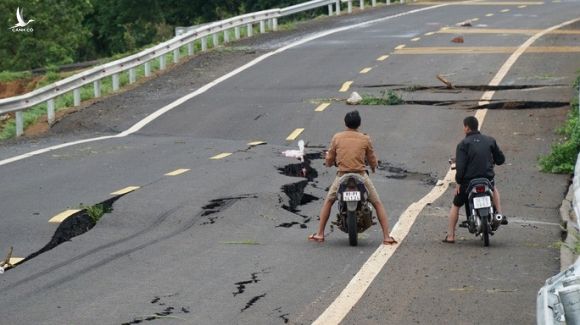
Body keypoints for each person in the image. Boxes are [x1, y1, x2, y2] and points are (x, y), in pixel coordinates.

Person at [308, 110, 397, 245]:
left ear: (345, 123)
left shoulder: (337, 137)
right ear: (359, 124)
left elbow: (330, 158)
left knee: (329, 201)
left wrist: (328, 162)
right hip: (361, 175)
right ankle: (386, 236)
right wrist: (373, 167)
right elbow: (372, 158)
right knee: (377, 203)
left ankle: (320, 234)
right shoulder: (365, 138)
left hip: (342, 176)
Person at [443, 116, 506, 243]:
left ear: (466, 127)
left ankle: (450, 236)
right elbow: (501, 159)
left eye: (463, 126)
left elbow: (460, 167)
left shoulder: (463, 144)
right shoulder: (490, 140)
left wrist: (458, 183)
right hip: (487, 179)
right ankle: (499, 214)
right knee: (493, 188)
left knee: (456, 205)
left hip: (468, 182)